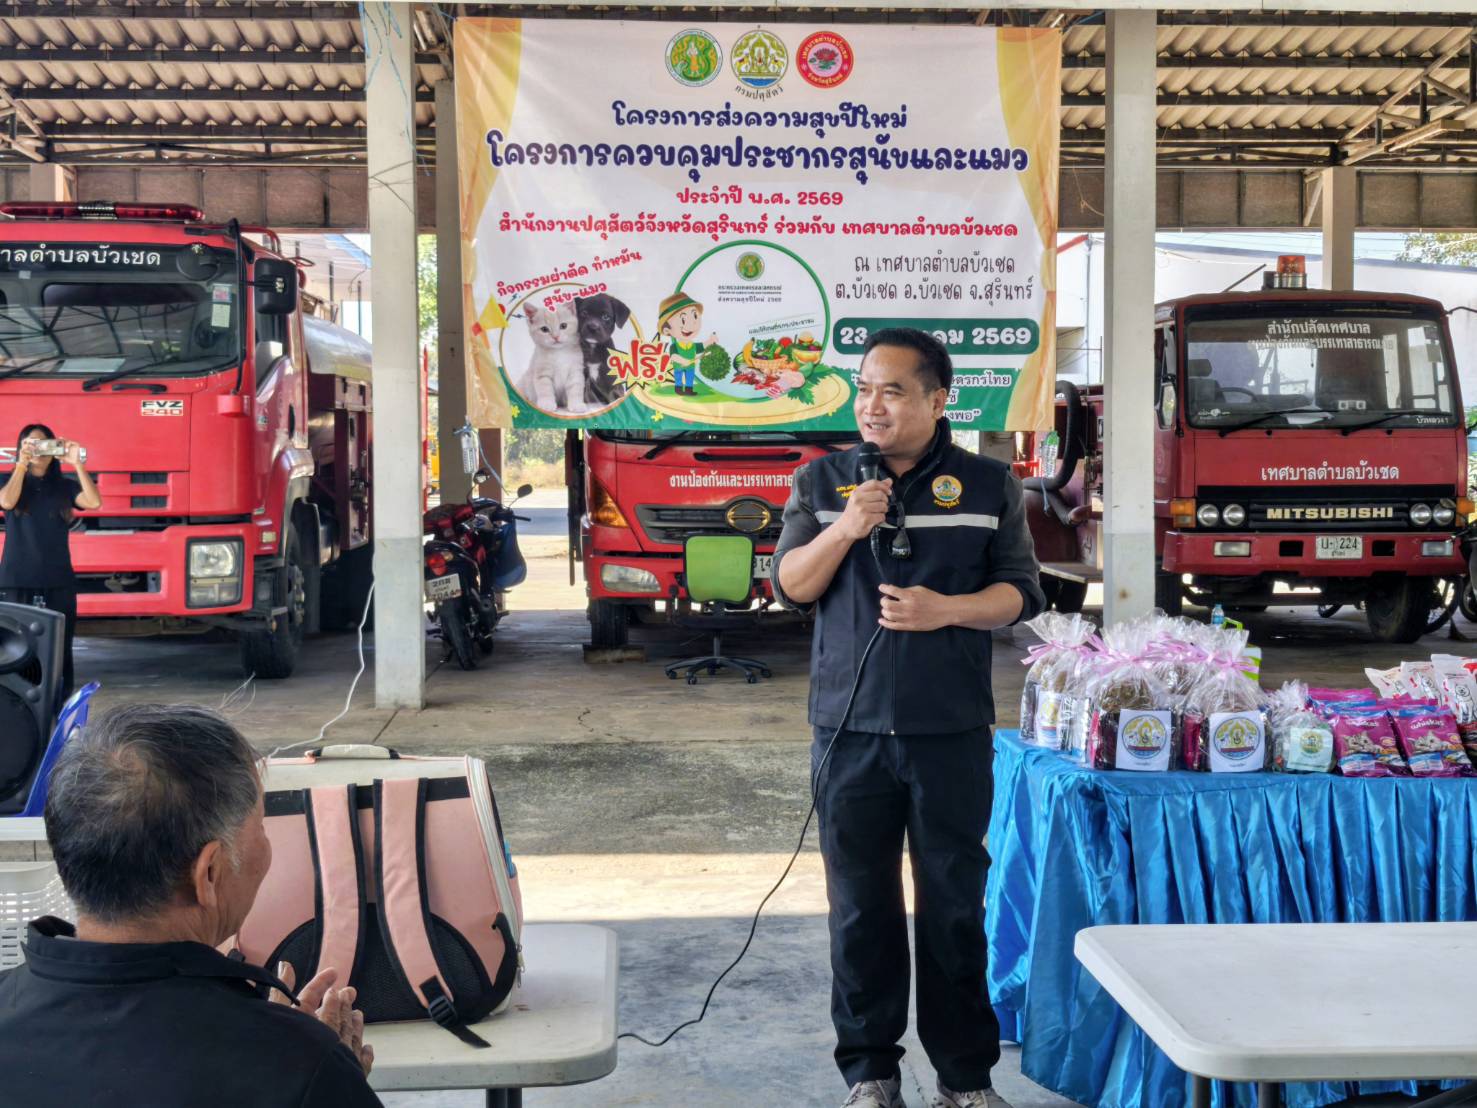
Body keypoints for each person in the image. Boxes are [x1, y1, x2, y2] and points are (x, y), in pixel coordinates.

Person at [771, 328, 1045, 1108]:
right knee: (860, 908)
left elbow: (1022, 593)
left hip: (948, 730)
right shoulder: (820, 481)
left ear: (936, 398)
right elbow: (791, 586)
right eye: (863, 389)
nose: (872, 405)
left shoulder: (988, 485)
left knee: (953, 906)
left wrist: (945, 610)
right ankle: (870, 1073)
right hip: (847, 731)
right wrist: (844, 527)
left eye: (891, 390)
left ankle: (963, 1079)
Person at [0, 703, 381, 1107]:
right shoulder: (300, 1066)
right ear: (209, 873)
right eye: (261, 827)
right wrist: (315, 1071)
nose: (267, 847)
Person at [0, 423, 102, 702]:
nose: (38, 450)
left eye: (44, 444)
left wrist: (76, 463)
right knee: (16, 647)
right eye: (31, 444)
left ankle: (57, 704)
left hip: (58, 580)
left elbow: (93, 502)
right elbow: (6, 502)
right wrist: (20, 465)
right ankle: (17, 705)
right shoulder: (9, 481)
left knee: (60, 647)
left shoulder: (64, 486)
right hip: (16, 579)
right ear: (21, 448)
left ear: (54, 449)